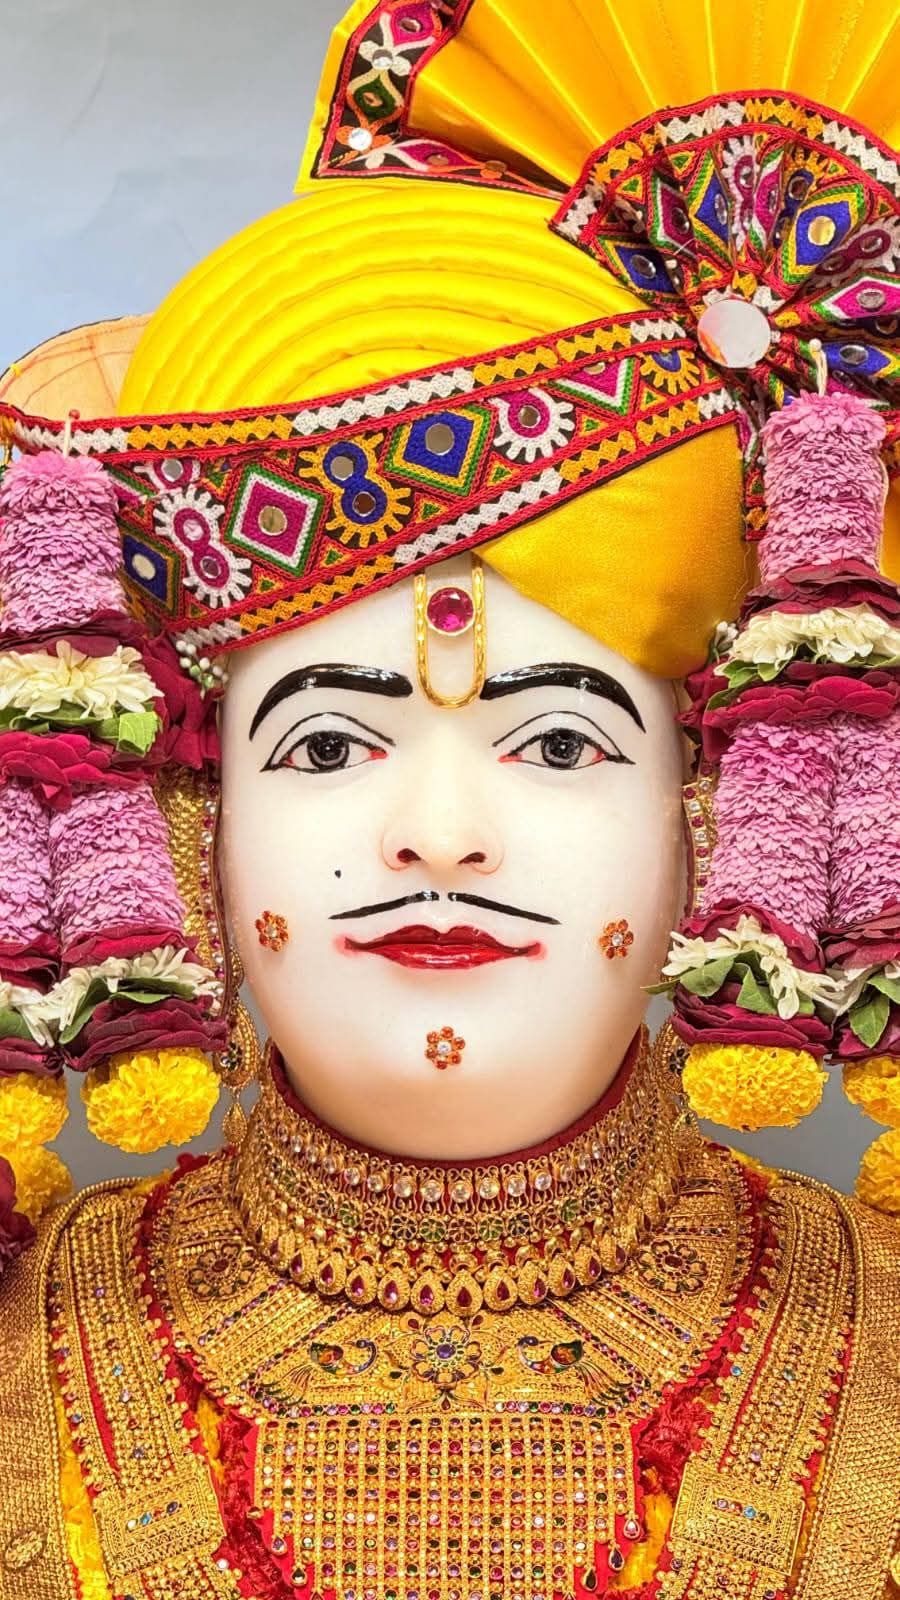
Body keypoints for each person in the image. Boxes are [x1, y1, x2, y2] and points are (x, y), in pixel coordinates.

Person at [0, 3, 898, 1597]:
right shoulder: (27, 1343)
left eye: (559, 747)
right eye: (327, 747)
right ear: (189, 821)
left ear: (714, 814)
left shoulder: (873, 1335)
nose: (438, 835)